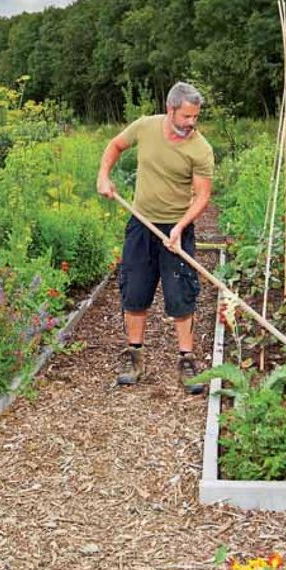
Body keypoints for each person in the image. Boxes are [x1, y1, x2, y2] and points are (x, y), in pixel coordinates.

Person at [96, 82, 214, 392]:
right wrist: (103, 175)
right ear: (171, 108)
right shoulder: (145, 127)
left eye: (195, 117)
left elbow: (202, 197)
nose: (192, 122)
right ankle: (134, 353)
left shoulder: (200, 148)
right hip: (141, 223)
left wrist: (179, 227)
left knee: (180, 293)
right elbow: (115, 146)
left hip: (177, 227)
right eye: (187, 116)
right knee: (134, 288)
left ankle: (186, 359)